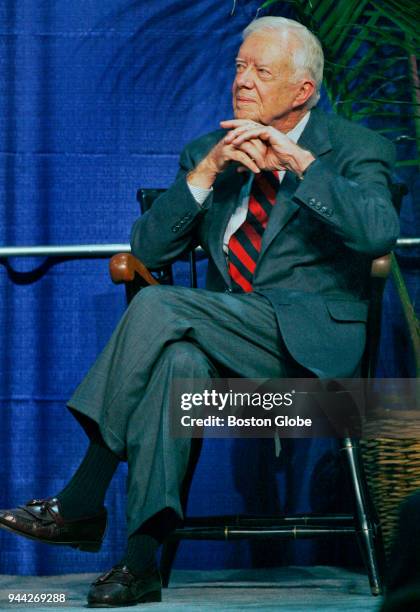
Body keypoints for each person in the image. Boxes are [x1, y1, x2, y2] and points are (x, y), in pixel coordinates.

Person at [0, 16, 399, 607]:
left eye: (262, 71)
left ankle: (83, 498)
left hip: (313, 363)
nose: (243, 81)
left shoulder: (355, 149)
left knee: (161, 308)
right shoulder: (207, 152)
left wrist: (300, 163)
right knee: (176, 363)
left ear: (302, 91)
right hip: (222, 347)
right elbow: (148, 251)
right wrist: (208, 172)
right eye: (240, 66)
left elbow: (376, 233)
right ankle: (141, 566)